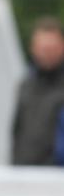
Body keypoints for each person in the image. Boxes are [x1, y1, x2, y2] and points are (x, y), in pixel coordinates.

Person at [12, 17, 64, 165]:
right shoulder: (25, 85)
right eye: (43, 48)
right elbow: (17, 132)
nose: (47, 53)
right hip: (25, 172)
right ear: (33, 48)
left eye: (52, 48)